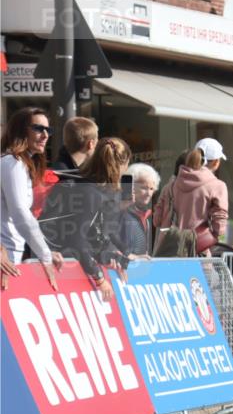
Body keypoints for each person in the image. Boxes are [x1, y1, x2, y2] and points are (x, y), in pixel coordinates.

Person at [40, 138, 133, 301]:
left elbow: (98, 234)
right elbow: (77, 240)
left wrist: (117, 254)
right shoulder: (89, 192)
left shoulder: (97, 188)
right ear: (121, 165)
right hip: (57, 267)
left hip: (64, 263)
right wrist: (99, 279)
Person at [0, 107, 62, 289]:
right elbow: (20, 213)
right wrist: (45, 254)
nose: (45, 135)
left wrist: (45, 250)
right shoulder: (12, 162)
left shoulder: (17, 162)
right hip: (6, 254)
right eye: (38, 128)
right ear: (21, 130)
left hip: (10, 252)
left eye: (48, 130)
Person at [170, 138, 229, 254]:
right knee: (205, 273)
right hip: (200, 247)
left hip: (175, 247)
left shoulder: (176, 182)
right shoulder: (217, 185)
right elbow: (220, 219)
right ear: (216, 162)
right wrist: (218, 239)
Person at [121, 163, 161, 257]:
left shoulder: (146, 219)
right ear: (131, 187)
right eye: (144, 188)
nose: (149, 193)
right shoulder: (120, 213)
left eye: (151, 189)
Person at [152, 152, 188, 230]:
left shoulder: (167, 188)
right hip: (185, 237)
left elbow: (156, 220)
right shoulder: (194, 190)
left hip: (167, 237)